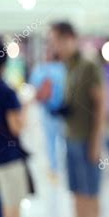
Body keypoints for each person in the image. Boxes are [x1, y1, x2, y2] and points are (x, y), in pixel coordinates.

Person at [48, 22, 106, 217]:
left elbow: (101, 105)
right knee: (77, 192)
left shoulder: (88, 66)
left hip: (86, 140)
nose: (54, 47)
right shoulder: (68, 67)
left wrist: (97, 142)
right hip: (70, 137)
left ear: (70, 39)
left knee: (90, 192)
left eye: (57, 42)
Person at [0, 40, 30, 217]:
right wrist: (27, 105)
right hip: (7, 159)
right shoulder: (5, 90)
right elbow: (16, 127)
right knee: (11, 213)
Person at [29, 48, 66, 180]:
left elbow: (34, 87)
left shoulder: (41, 70)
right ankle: (64, 167)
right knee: (64, 140)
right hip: (64, 112)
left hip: (47, 111)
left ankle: (53, 169)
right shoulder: (64, 69)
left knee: (50, 142)